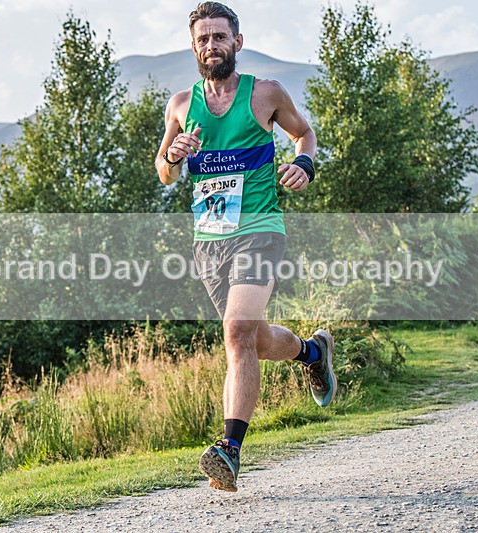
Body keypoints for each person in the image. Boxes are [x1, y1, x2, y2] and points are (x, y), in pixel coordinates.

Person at [154, 1, 337, 492]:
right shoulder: (180, 104)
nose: (211, 45)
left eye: (219, 36)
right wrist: (173, 156)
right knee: (252, 341)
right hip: (209, 240)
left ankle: (229, 450)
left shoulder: (266, 94)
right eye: (203, 39)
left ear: (237, 42)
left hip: (260, 228)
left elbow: (305, 134)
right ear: (193, 47)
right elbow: (164, 173)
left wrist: (305, 164)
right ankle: (312, 352)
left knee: (235, 333)